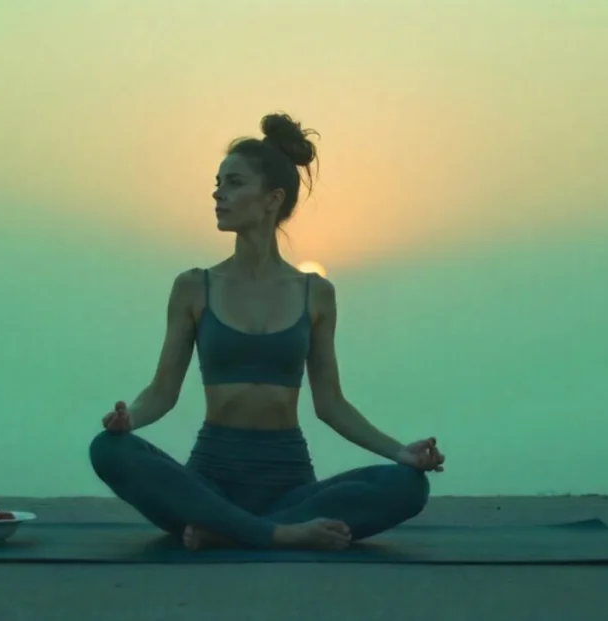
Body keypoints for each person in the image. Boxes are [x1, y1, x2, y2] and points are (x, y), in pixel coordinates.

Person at [89, 112, 445, 551]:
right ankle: (277, 534)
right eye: (217, 184)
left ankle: (230, 531)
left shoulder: (316, 293)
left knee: (408, 486)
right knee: (108, 449)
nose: (218, 194)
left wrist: (400, 453)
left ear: (272, 199)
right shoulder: (193, 288)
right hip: (209, 482)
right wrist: (129, 420)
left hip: (289, 484)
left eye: (234, 183)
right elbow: (161, 392)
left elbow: (330, 404)